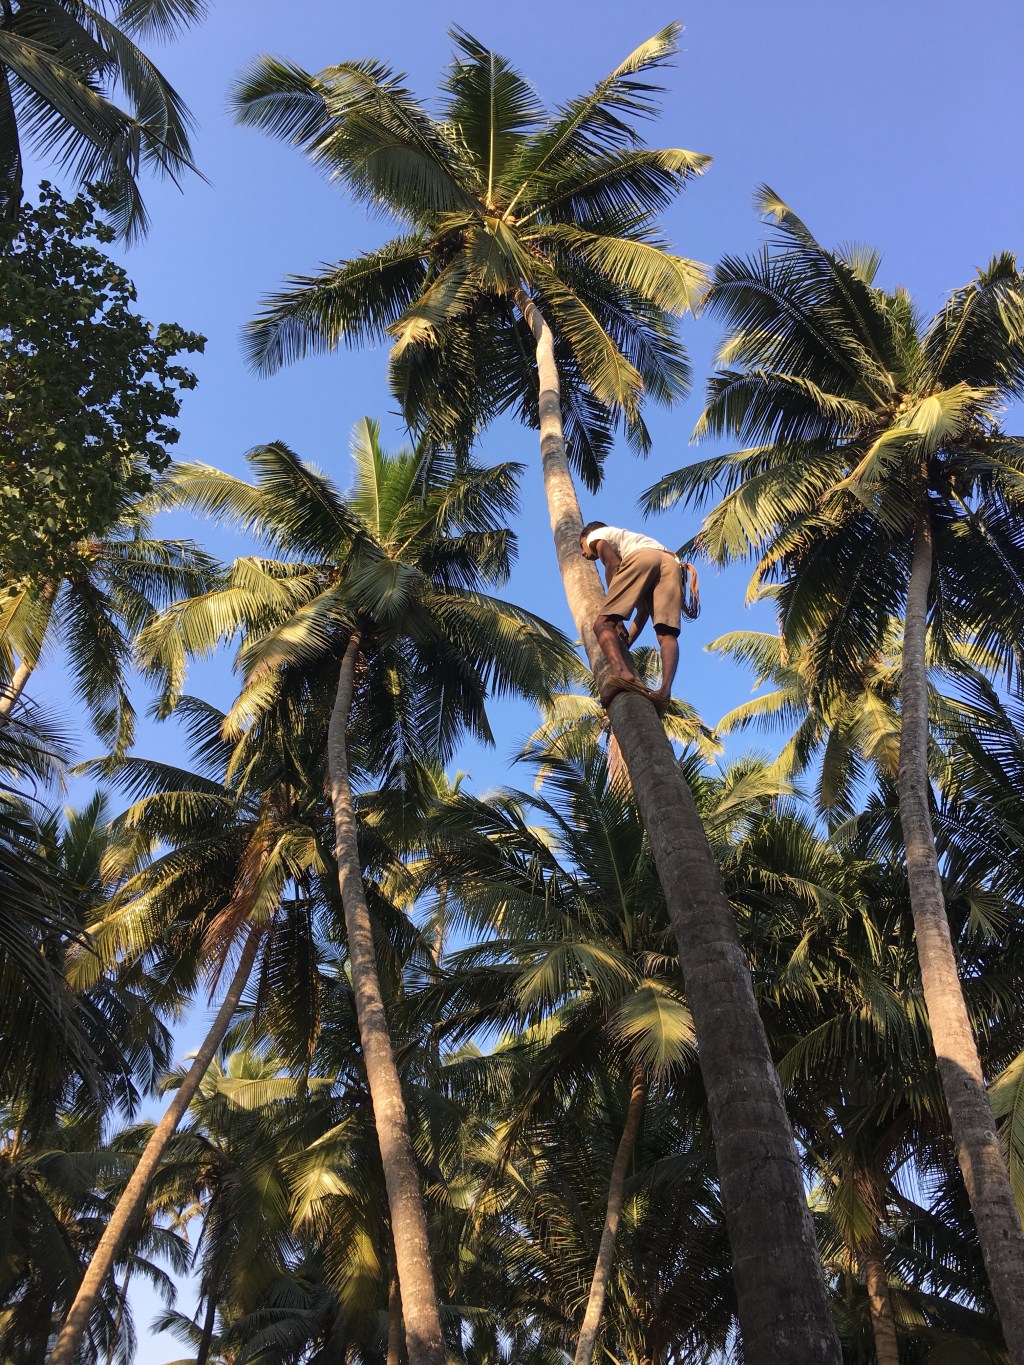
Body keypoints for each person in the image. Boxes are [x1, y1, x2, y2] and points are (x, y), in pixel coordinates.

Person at [580, 519, 698, 709]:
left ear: (587, 536)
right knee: (666, 634)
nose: (583, 553)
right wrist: (627, 642)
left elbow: (612, 564)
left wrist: (615, 615)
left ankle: (621, 673)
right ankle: (664, 693)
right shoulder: (630, 538)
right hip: (670, 562)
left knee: (602, 624)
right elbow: (642, 611)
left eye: (581, 545)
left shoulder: (596, 535)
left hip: (642, 558)